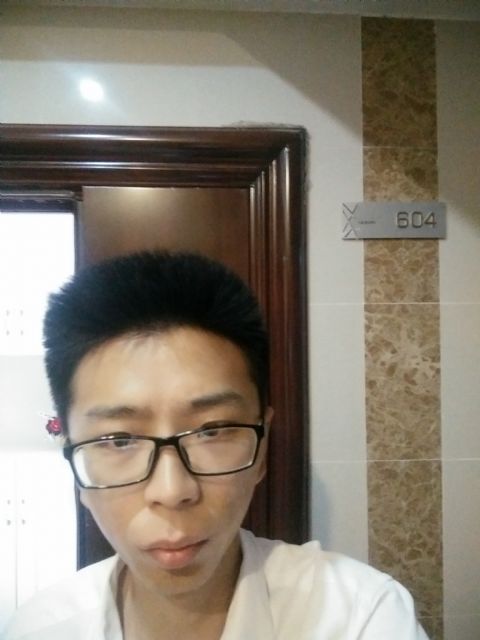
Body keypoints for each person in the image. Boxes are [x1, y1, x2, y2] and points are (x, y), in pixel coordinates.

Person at [5, 251, 429, 640]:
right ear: (74, 464)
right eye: (119, 439)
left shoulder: (359, 616)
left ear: (262, 450)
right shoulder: (39, 628)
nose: (172, 491)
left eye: (212, 430)